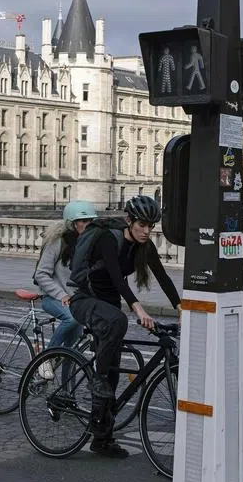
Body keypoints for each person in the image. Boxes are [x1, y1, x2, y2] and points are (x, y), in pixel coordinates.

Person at [68, 195, 181, 458]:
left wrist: (180, 307)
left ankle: (101, 439)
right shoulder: (110, 238)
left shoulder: (144, 246)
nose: (146, 231)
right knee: (117, 323)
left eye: (151, 226)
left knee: (114, 374)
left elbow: (162, 276)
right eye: (142, 224)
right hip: (85, 299)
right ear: (129, 221)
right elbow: (117, 278)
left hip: (107, 303)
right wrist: (137, 307)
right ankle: (98, 379)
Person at [34, 200, 97, 378]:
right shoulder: (58, 242)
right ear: (71, 223)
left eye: (90, 221)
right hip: (52, 297)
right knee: (72, 319)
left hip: (74, 301)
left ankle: (65, 393)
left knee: (71, 353)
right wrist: (60, 294)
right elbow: (41, 274)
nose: (87, 225)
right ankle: (46, 358)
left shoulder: (88, 244)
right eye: (82, 221)